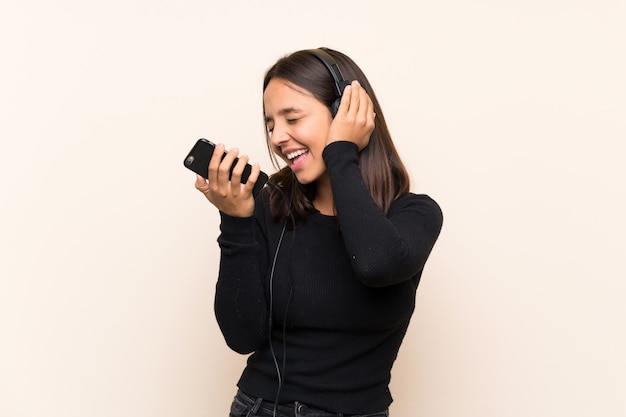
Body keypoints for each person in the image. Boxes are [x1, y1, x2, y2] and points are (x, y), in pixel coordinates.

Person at [194, 47, 443, 417]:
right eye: (270, 124)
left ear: (346, 113)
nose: (278, 137)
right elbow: (242, 337)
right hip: (260, 408)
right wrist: (236, 221)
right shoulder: (270, 204)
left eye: (292, 118)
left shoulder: (415, 214)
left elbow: (374, 264)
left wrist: (341, 150)